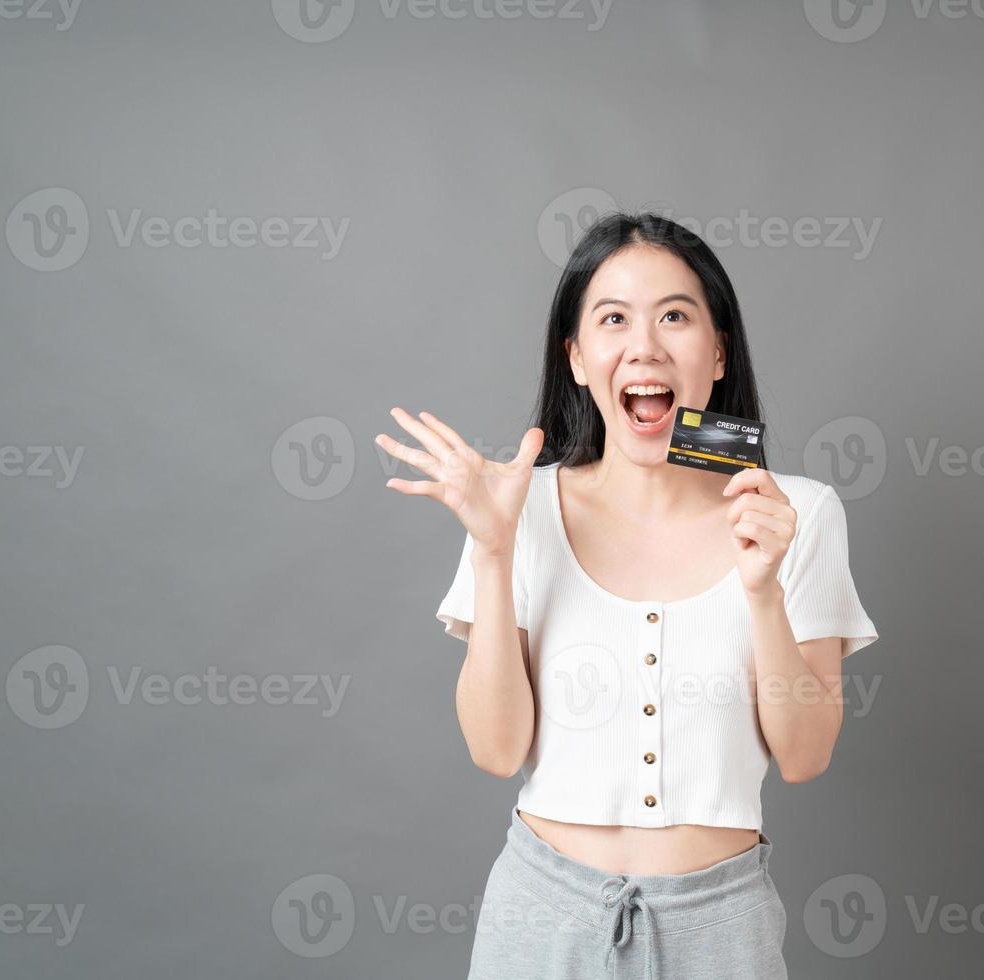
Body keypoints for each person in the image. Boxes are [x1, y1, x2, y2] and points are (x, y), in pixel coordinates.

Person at [376, 212, 878, 979]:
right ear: (577, 359)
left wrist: (764, 589)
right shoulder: (518, 506)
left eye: (675, 316)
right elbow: (495, 749)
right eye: (613, 319)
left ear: (716, 352)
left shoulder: (796, 512)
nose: (645, 346)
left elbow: (805, 757)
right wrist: (493, 548)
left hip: (722, 927)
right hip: (540, 919)